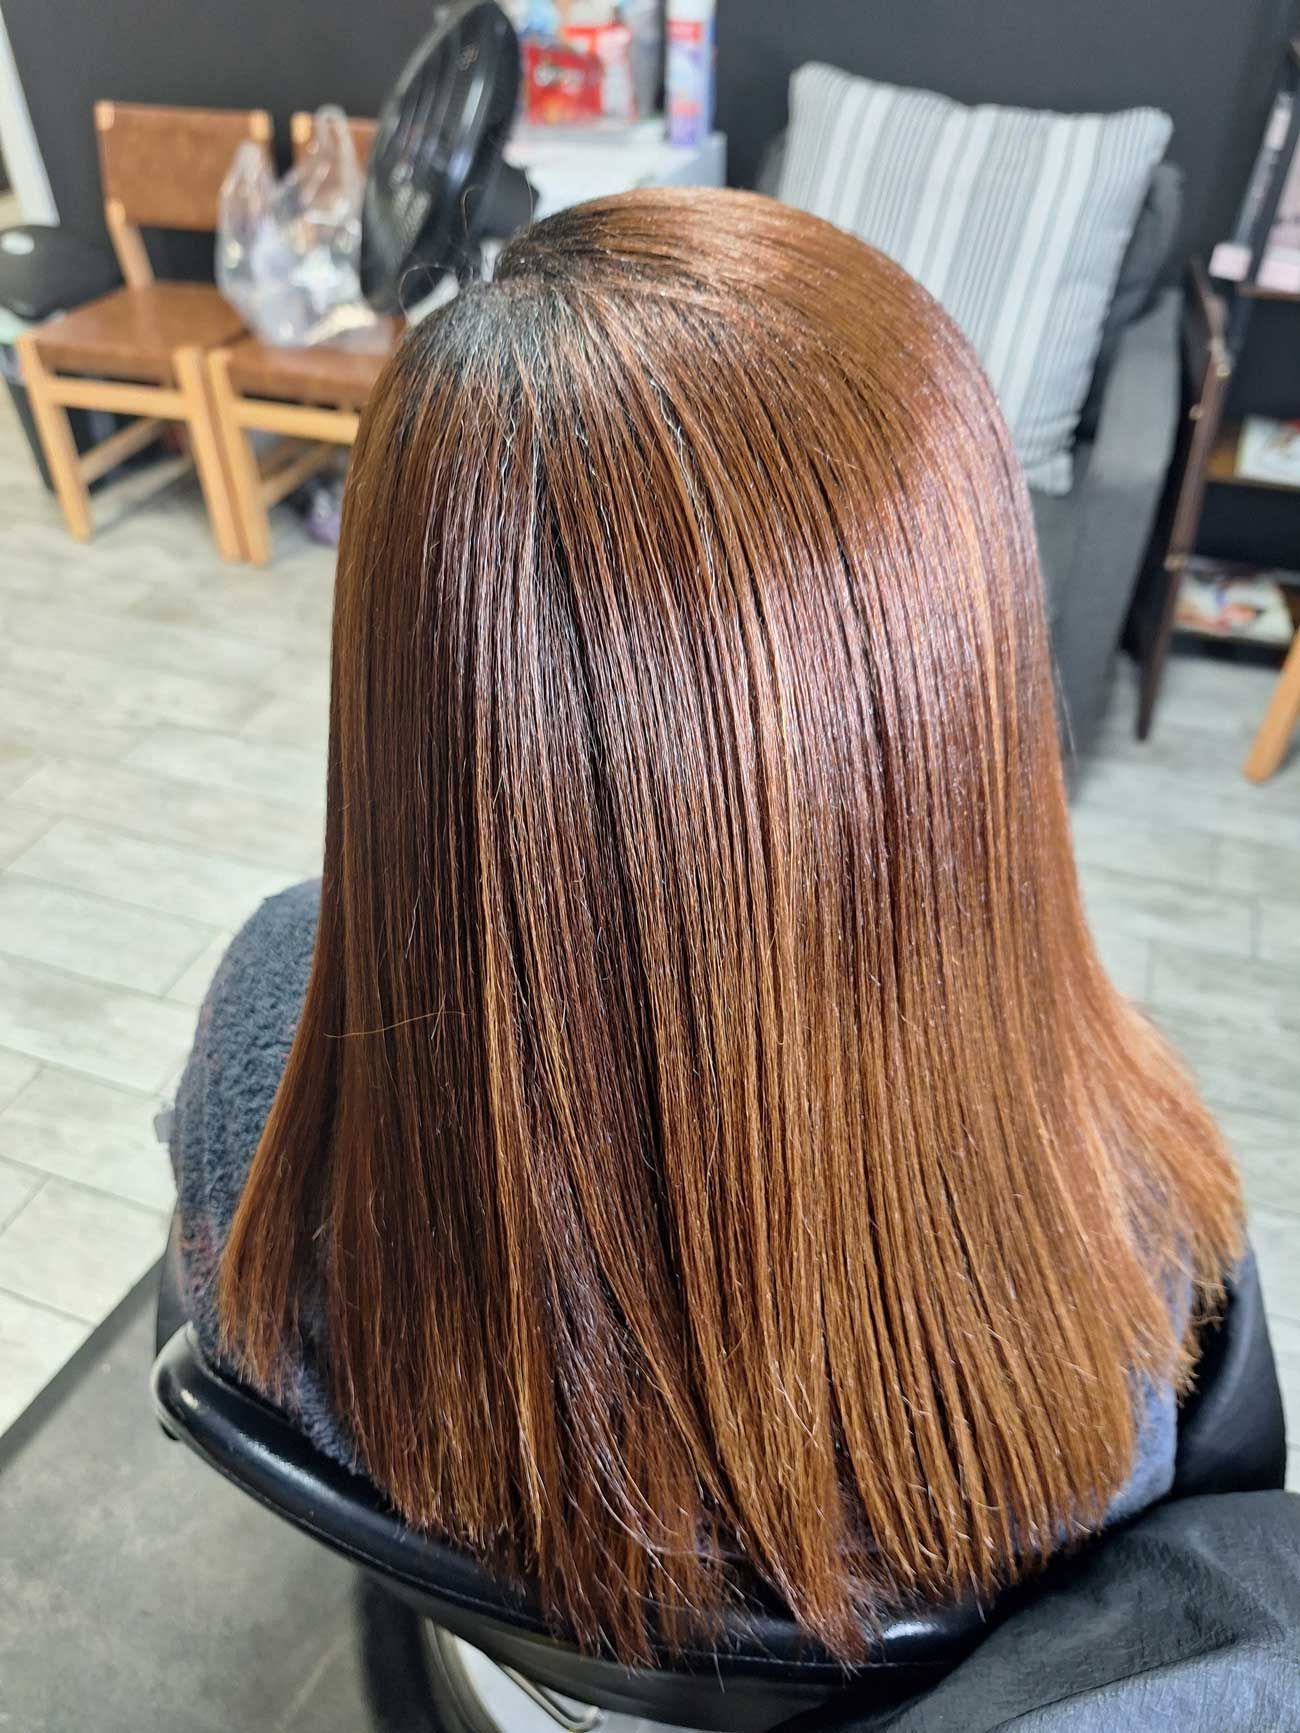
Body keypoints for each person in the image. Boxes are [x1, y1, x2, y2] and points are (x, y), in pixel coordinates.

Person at [171, 187, 1247, 1666]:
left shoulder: (264, 1028)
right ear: (964, 701)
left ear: (407, 680)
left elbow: (238, 1334)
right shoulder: (1119, 1269)